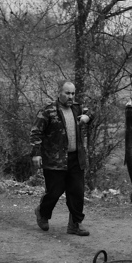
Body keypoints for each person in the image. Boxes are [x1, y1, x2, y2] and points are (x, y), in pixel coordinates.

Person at [30, 81, 93, 236]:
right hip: (54, 160)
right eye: (67, 93)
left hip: (76, 158)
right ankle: (42, 213)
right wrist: (36, 153)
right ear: (59, 93)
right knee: (54, 192)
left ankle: (74, 225)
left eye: (72, 93)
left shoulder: (78, 108)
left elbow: (91, 112)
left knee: (77, 193)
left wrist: (87, 117)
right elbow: (36, 132)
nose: (70, 96)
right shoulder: (48, 110)